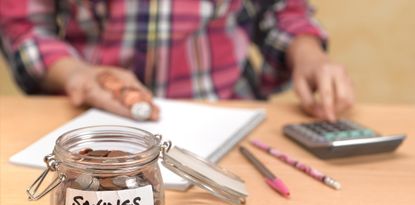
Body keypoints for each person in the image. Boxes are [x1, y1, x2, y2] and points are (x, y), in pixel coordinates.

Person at [0, 0, 354, 121]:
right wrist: (76, 74)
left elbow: (281, 10)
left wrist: (308, 54)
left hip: (228, 112)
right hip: (93, 117)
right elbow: (24, 26)